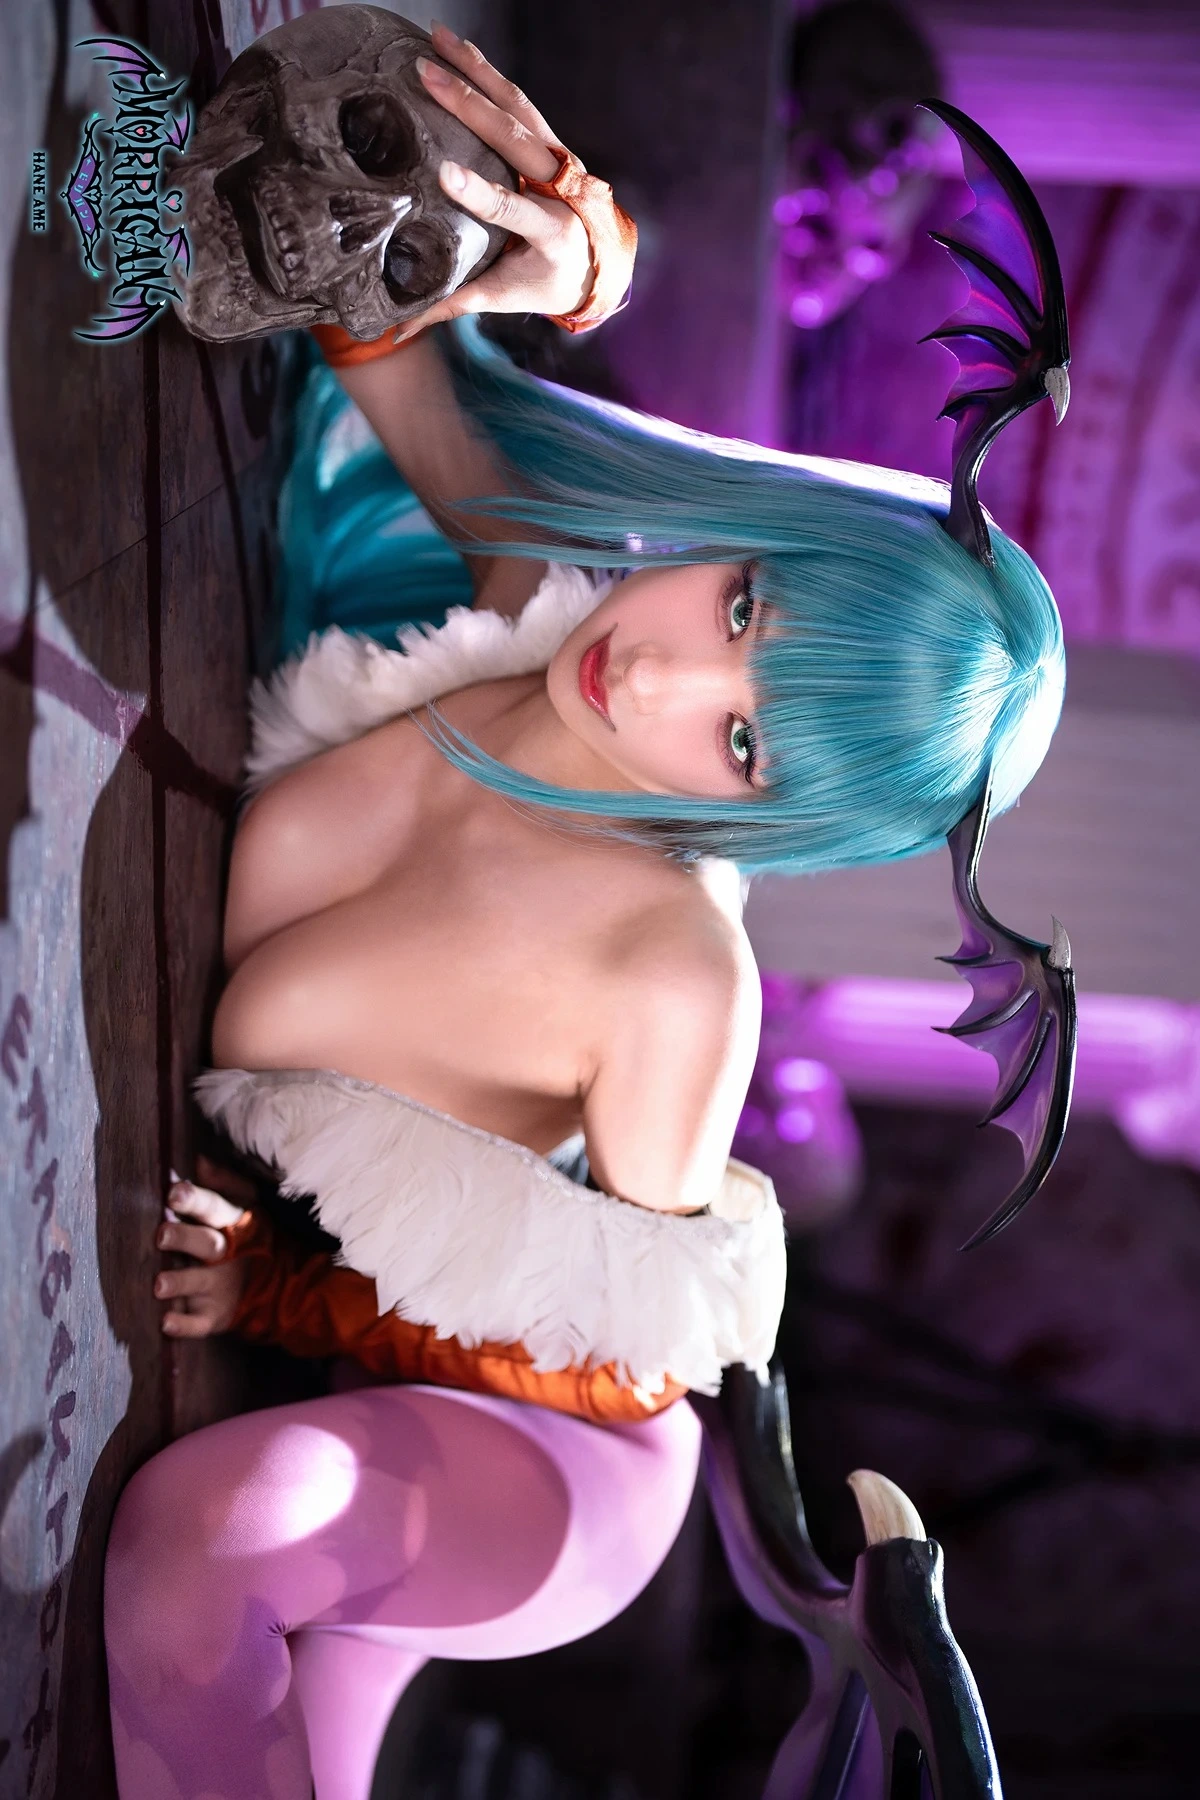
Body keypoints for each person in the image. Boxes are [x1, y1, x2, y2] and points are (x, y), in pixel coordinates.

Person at [106, 23, 1065, 1797]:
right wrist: (573, 258)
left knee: (219, 1531)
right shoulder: (543, 596)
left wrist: (285, 1296)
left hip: (551, 1463)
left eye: (749, 742)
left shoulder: (672, 979)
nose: (665, 676)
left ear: (790, 816)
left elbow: (614, 1362)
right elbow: (379, 326)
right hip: (418, 1420)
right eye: (749, 605)